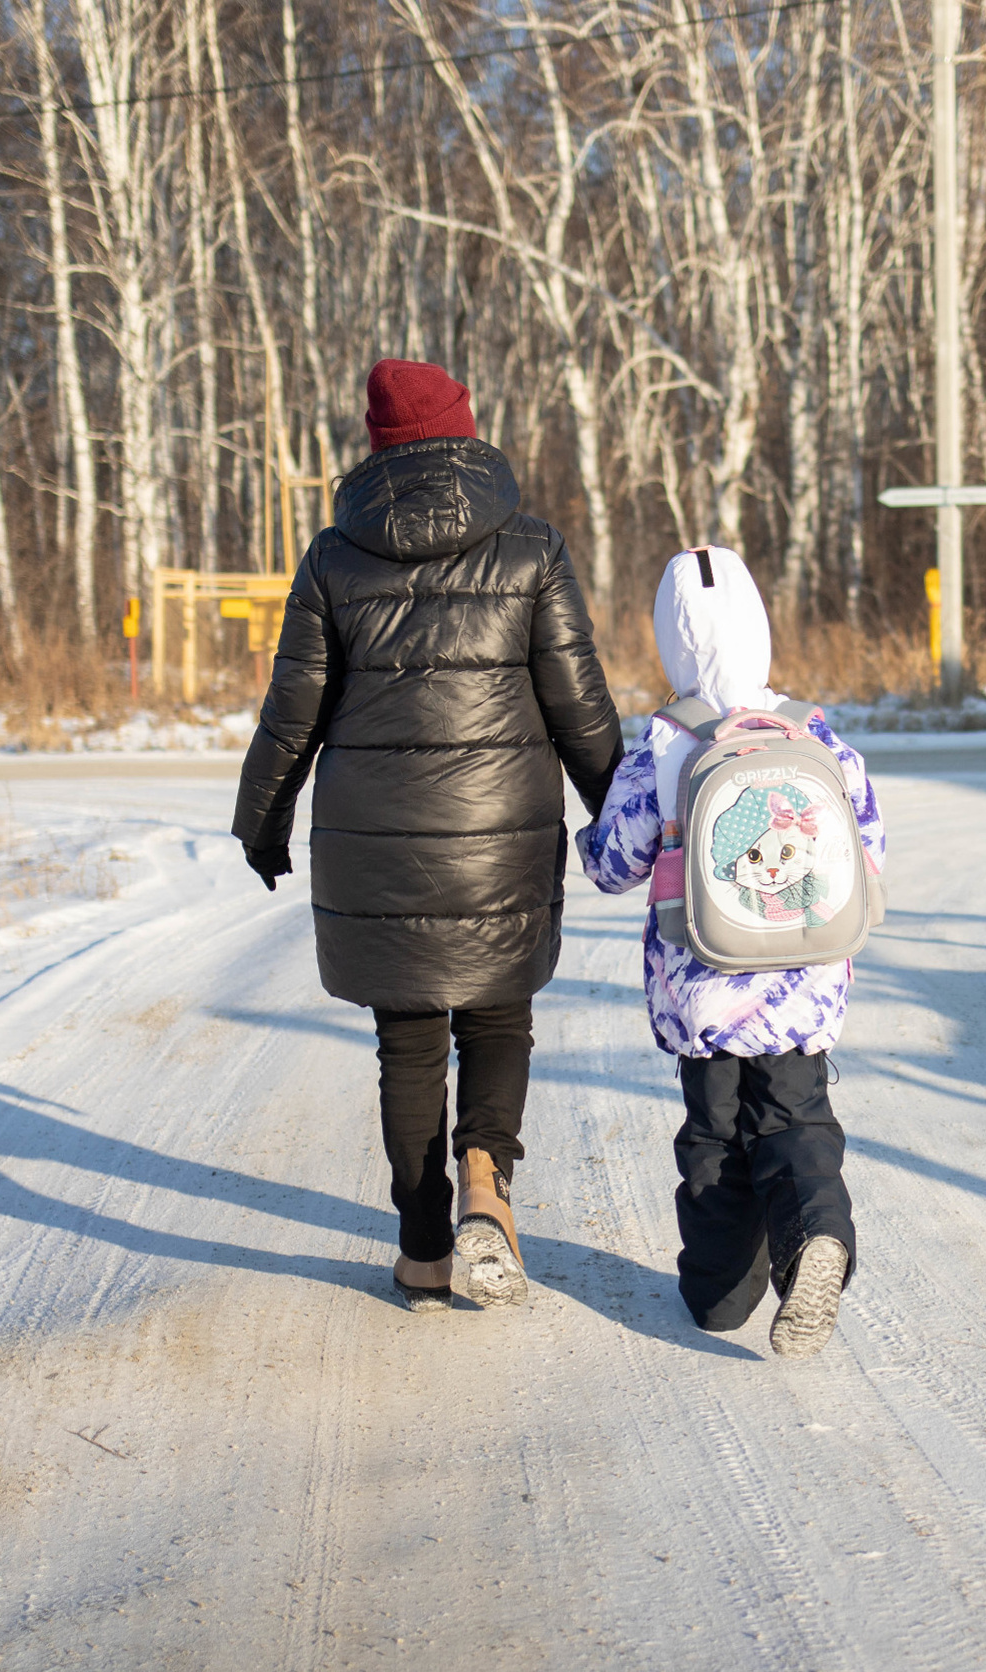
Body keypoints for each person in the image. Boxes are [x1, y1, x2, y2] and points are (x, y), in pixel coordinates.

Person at [232, 359, 621, 1310]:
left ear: (378, 446)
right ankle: (487, 1182)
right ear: (465, 430)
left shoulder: (332, 557)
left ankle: (420, 1251)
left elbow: (294, 712)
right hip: (501, 834)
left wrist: (262, 818)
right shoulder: (532, 548)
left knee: (407, 1046)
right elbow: (580, 705)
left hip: (382, 848)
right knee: (499, 1014)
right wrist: (625, 811)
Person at [578, 546, 883, 1360]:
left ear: (669, 645)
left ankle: (720, 1296)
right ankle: (816, 1232)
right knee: (796, 1119)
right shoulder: (815, 732)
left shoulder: (665, 743)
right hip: (805, 978)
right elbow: (870, 849)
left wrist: (588, 830)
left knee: (714, 1137)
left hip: (702, 987)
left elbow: (614, 865)